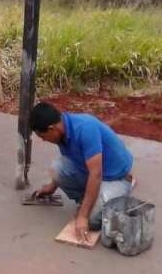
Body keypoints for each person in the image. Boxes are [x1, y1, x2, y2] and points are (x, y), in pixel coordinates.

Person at [30, 102, 134, 242]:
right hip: (91, 169)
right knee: (57, 168)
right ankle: (89, 201)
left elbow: (96, 174)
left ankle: (123, 189)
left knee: (92, 221)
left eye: (42, 136)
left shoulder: (85, 129)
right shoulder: (62, 132)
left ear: (52, 128)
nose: (43, 140)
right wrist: (52, 186)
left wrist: (83, 217)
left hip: (115, 176)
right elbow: (71, 159)